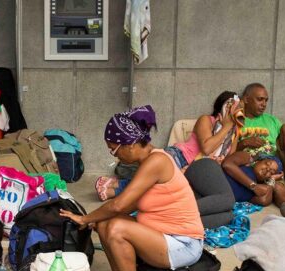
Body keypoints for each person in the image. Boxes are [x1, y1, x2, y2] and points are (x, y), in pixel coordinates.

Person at [61, 105, 204, 271]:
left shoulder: (157, 161)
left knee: (116, 228)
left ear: (130, 145)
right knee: (105, 222)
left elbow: (118, 205)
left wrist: (85, 219)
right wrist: (96, 219)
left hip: (183, 244)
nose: (114, 155)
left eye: (113, 149)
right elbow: (128, 205)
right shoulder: (147, 162)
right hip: (163, 235)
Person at [96, 92, 239, 228]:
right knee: (147, 185)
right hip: (181, 158)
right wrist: (226, 126)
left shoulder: (233, 131)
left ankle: (173, 220)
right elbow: (207, 148)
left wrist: (232, 131)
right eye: (235, 109)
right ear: (224, 109)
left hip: (200, 170)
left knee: (227, 215)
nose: (239, 114)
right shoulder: (206, 120)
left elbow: (229, 157)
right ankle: (119, 187)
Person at [222, 151, 285, 222]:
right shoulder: (246, 159)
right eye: (267, 163)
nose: (268, 169)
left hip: (220, 199)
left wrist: (271, 180)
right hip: (214, 183)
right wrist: (253, 186)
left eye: (271, 172)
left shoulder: (259, 189)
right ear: (259, 160)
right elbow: (227, 164)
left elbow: (264, 201)